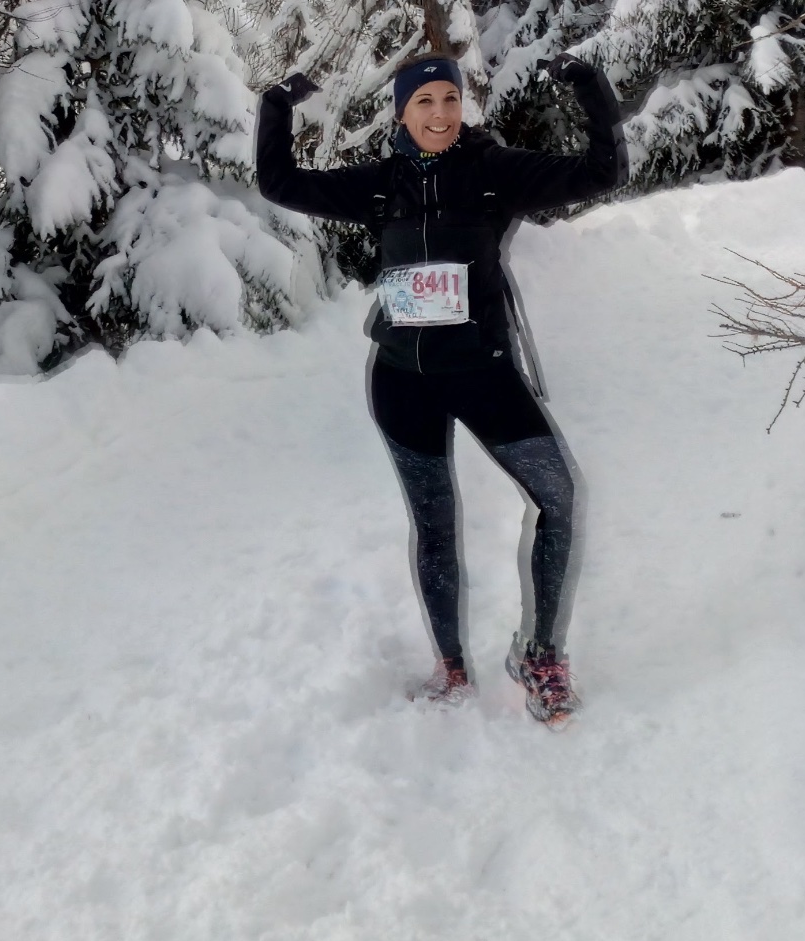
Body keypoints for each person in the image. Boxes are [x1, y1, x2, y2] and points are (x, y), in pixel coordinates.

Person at [255, 53, 626, 727]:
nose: (440, 114)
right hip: (402, 381)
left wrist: (586, 86)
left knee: (559, 496)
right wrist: (278, 106)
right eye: (424, 101)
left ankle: (541, 656)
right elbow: (279, 182)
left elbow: (604, 171)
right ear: (402, 113)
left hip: (482, 372)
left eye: (450, 100)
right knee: (433, 523)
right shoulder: (380, 185)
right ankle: (451, 665)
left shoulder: (494, 171)